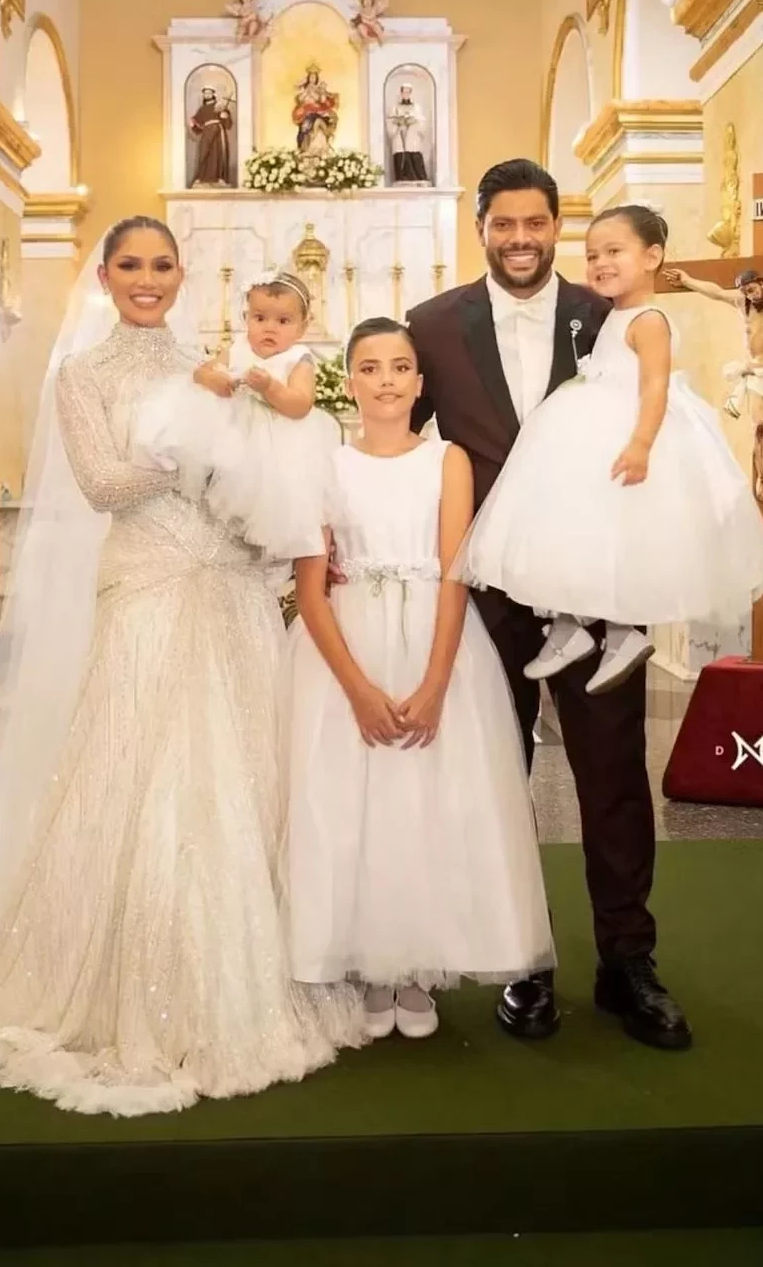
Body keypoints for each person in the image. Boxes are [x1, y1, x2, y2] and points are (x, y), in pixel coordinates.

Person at [0, 217, 363, 1114]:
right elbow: (101, 484)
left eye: (161, 265)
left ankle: (255, 968)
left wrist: (268, 526)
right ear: (106, 277)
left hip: (228, 584)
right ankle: (117, 979)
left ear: (182, 275)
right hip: (145, 582)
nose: (146, 279)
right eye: (130, 265)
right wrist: (187, 455)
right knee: (134, 766)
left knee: (238, 773)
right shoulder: (82, 375)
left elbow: (257, 473)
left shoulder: (216, 363)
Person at [405, 158, 692, 1051]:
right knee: (498, 773)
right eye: (504, 224)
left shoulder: (609, 309)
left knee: (613, 775)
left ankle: (627, 963)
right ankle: (521, 958)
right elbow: (403, 443)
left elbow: (656, 416)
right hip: (489, 589)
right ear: (481, 229)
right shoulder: (431, 326)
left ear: (557, 227)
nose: (521, 239)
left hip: (596, 583)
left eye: (536, 223)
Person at [284, 319, 553, 1041]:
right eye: (370, 368)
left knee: (426, 803)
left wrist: (435, 684)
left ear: (420, 382)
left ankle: (415, 969)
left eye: (400, 367)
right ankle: (368, 967)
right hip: (349, 652)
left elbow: (454, 573)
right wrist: (357, 690)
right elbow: (310, 592)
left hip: (436, 643)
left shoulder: (447, 460)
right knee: (353, 806)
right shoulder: (325, 466)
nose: (387, 381)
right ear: (349, 381)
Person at [458, 205, 763, 694]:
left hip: (625, 433)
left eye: (614, 251)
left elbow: (655, 385)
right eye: (592, 256)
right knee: (577, 532)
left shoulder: (649, 320)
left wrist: (641, 443)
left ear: (652, 257)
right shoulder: (615, 313)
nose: (600, 263)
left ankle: (620, 633)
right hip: (588, 430)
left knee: (616, 539)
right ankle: (571, 626)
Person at [131, 270, 336, 562]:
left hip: (276, 443)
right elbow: (201, 372)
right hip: (231, 431)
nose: (270, 328)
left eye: (283, 321)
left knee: (267, 496)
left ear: (301, 328)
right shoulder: (239, 348)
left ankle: (261, 550)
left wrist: (270, 387)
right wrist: (213, 379)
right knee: (214, 481)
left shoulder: (297, 358)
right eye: (259, 318)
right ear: (246, 318)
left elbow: (301, 404)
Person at [664, 262, 763, 502]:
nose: (750, 295)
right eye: (745, 292)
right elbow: (716, 292)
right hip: (756, 373)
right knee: (759, 429)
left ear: (761, 283)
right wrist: (687, 280)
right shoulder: (742, 303)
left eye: (752, 290)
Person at [189, 87, 233, 187]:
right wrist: (193, 125)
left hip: (218, 133)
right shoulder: (201, 109)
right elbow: (198, 128)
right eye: (205, 93)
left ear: (213, 94)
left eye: (209, 93)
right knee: (204, 154)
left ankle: (220, 178)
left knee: (218, 154)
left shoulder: (220, 106)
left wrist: (225, 116)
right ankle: (202, 178)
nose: (207, 95)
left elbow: (228, 125)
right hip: (206, 134)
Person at [387, 84, 429, 184]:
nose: (406, 94)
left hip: (412, 136)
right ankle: (402, 178)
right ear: (401, 93)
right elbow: (390, 120)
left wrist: (413, 121)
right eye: (404, 92)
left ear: (410, 93)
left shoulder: (416, 107)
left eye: (408, 92)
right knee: (400, 156)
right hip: (399, 135)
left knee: (414, 155)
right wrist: (398, 123)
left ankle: (418, 178)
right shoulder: (395, 107)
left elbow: (422, 121)